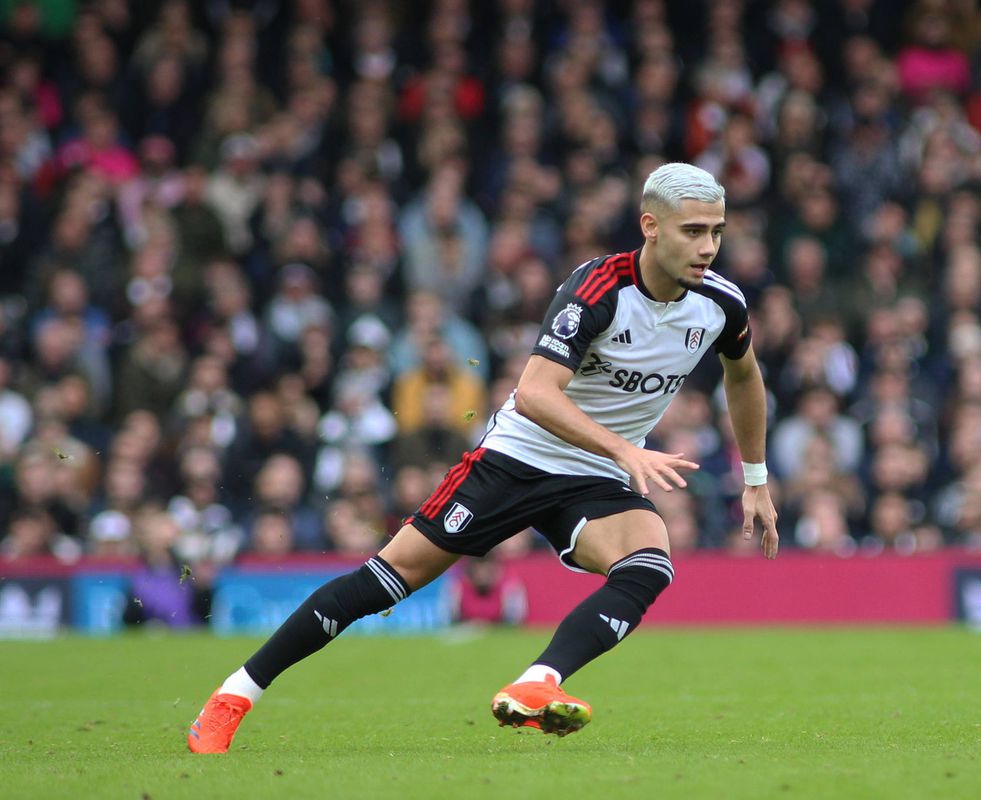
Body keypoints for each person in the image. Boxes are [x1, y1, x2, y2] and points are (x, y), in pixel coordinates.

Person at [186, 162, 779, 753]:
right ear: (650, 226)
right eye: (693, 231)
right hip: (518, 458)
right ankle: (233, 697)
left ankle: (537, 683)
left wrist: (755, 478)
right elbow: (534, 393)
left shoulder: (721, 304)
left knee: (649, 566)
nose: (708, 247)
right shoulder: (598, 290)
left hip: (595, 475)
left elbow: (744, 376)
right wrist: (625, 448)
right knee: (384, 583)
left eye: (717, 232)